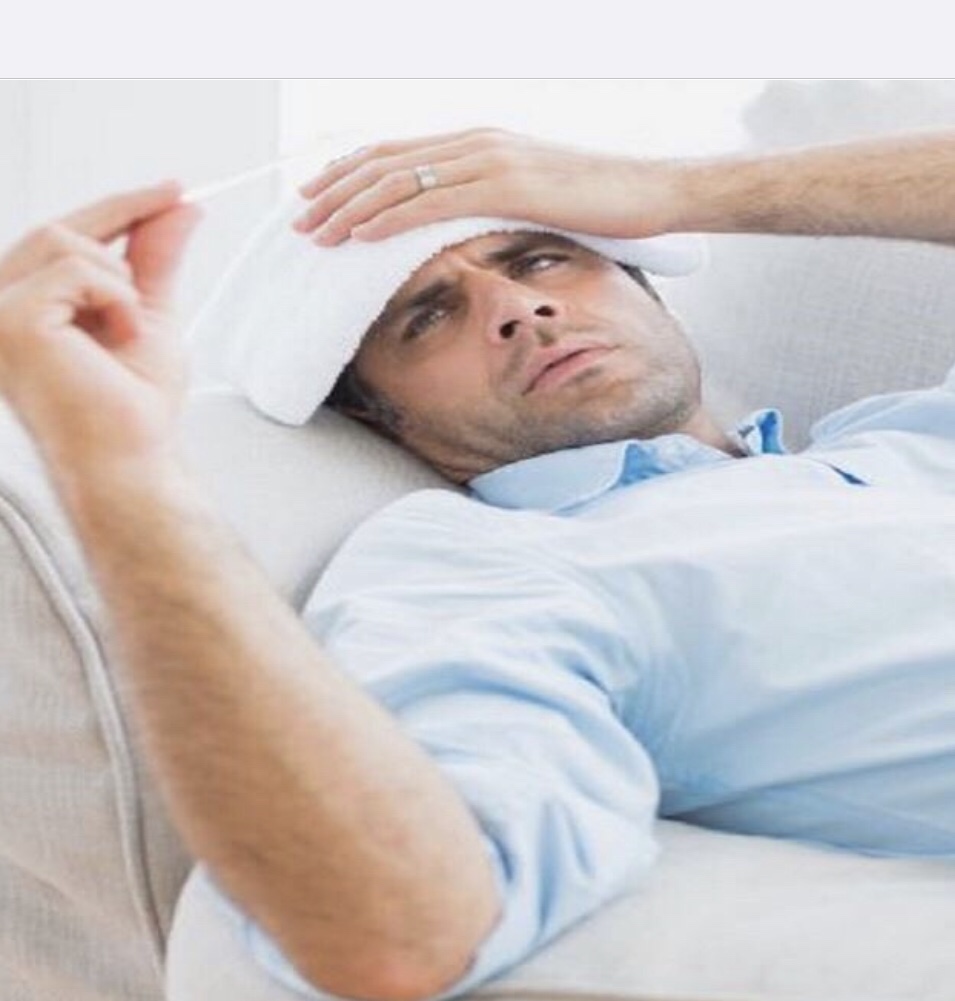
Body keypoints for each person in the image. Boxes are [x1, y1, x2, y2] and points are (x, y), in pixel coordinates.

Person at [0, 127, 953, 1001]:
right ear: (384, 418)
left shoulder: (903, 433)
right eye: (427, 317)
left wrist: (673, 190)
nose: (516, 307)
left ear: (646, 284)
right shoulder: (491, 567)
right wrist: (116, 467)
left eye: (540, 258)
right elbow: (401, 930)